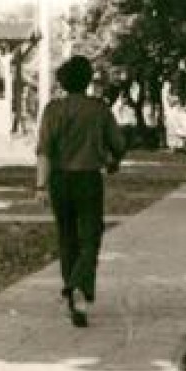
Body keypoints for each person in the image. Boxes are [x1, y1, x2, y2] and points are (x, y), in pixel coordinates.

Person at [35, 55, 127, 327]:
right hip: (88, 180)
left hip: (59, 181)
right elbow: (118, 145)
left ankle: (73, 298)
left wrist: (40, 186)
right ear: (87, 80)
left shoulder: (53, 110)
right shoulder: (99, 110)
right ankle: (78, 286)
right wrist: (112, 160)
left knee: (66, 238)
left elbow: (44, 151)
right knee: (91, 238)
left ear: (63, 81)